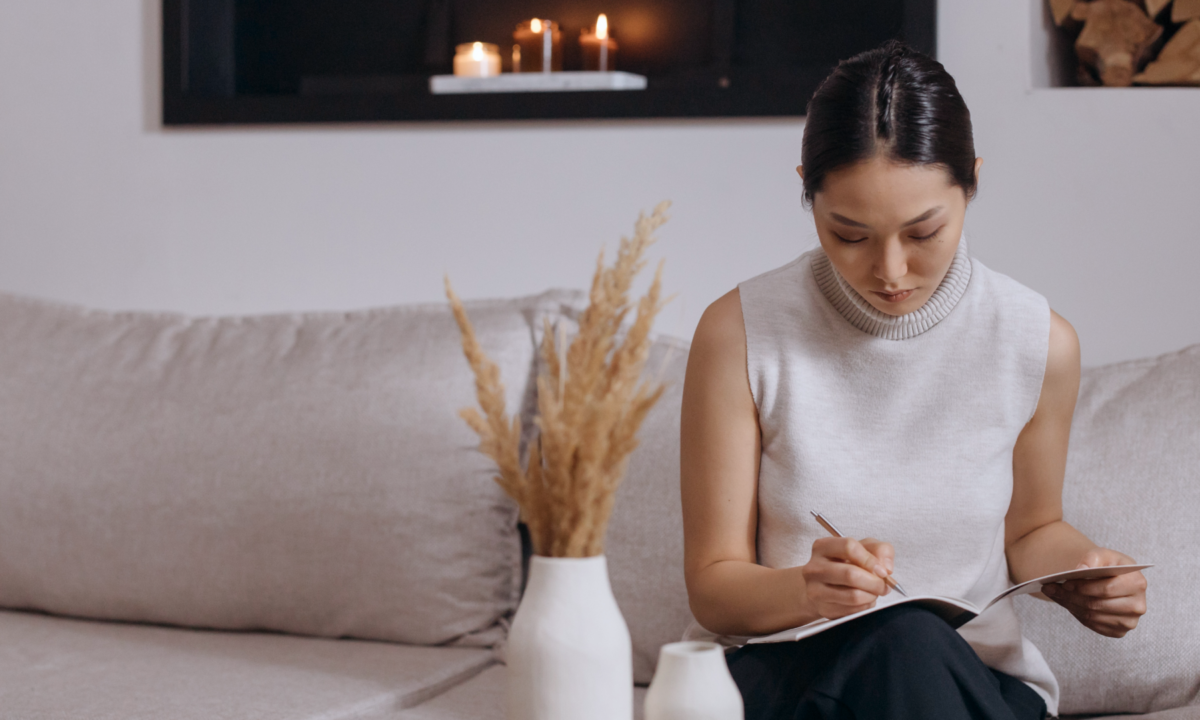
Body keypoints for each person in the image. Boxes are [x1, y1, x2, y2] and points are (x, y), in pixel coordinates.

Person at [679, 38, 1148, 720]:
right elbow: (713, 587)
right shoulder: (741, 331)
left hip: (970, 680)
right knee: (898, 639)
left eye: (924, 232)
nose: (891, 271)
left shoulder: (1036, 341)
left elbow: (1033, 529)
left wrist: (1086, 571)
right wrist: (809, 591)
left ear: (972, 183)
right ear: (806, 186)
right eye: (849, 234)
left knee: (913, 646)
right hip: (790, 671)